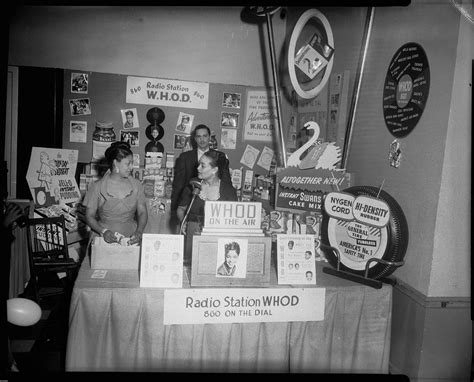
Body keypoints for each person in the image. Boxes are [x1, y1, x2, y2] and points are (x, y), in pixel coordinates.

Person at [176, 150, 237, 264]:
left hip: (217, 242)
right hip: (191, 239)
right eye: (199, 164)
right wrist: (182, 222)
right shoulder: (192, 185)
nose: (198, 168)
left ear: (215, 170)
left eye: (202, 166)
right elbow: (181, 209)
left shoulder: (228, 192)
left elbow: (233, 223)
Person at [83, 141, 147, 246]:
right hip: (103, 239)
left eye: (132, 163)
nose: (131, 167)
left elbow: (142, 213)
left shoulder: (136, 185)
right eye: (128, 163)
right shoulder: (96, 187)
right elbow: (89, 216)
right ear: (115, 163)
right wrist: (103, 231)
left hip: (131, 238)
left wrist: (139, 232)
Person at [171, 124, 232, 226]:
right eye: (199, 137)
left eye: (205, 136)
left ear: (209, 137)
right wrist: (175, 210)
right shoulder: (185, 157)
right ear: (194, 139)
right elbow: (178, 186)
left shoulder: (220, 157)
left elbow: (226, 181)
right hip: (191, 203)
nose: (202, 139)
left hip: (215, 206)